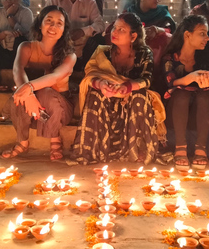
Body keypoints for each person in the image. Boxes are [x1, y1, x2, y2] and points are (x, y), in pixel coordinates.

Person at [69, 12, 165, 166]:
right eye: (114, 28)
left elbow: (146, 80)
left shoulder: (144, 53)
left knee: (140, 96)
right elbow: (90, 75)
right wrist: (102, 85)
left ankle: (138, 149)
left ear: (133, 36)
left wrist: (126, 87)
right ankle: (91, 150)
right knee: (94, 94)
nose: (114, 32)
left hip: (131, 101)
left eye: (121, 30)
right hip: (108, 98)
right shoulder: (103, 53)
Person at [0, 6, 76, 161]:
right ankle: (22, 141)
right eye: (49, 21)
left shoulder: (70, 56)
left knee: (45, 92)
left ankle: (54, 137)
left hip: (59, 111)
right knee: (20, 94)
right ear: (40, 24)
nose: (53, 26)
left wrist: (29, 88)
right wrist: (29, 96)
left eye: (59, 23)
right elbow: (17, 70)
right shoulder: (26, 47)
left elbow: (55, 77)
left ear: (64, 30)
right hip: (33, 111)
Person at [162, 15, 209, 170]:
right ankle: (180, 148)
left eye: (207, 33)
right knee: (181, 94)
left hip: (199, 113)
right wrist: (190, 78)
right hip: (176, 112)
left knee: (205, 96)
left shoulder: (205, 57)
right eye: (202, 33)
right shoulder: (170, 59)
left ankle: (201, 148)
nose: (207, 38)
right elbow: (169, 81)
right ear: (187, 35)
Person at [45, 0, 105, 71]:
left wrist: (83, 31)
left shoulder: (90, 3)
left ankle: (87, 69)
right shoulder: (54, 2)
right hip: (59, 49)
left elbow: (100, 25)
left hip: (83, 50)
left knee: (98, 39)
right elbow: (43, 24)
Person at [125, 0, 175, 92]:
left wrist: (157, 30)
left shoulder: (162, 12)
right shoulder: (130, 12)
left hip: (157, 55)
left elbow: (170, 30)